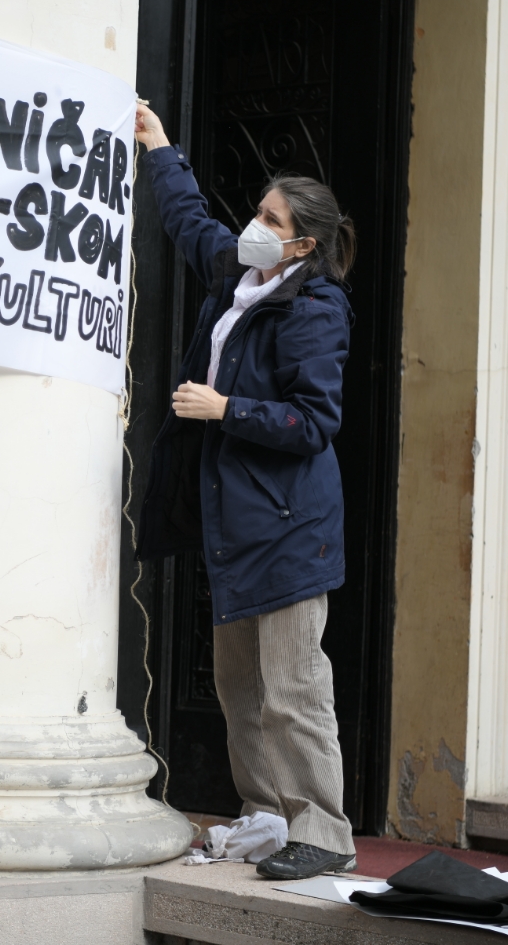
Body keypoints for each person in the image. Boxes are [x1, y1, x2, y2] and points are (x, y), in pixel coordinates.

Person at [133, 103, 358, 881]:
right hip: (239, 523)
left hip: (291, 527)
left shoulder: (317, 307)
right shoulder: (241, 275)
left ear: (304, 242)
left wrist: (226, 409)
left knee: (294, 686)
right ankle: (266, 817)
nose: (253, 224)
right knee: (239, 685)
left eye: (270, 217)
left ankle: (323, 832)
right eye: (258, 210)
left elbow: (313, 420)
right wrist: (160, 147)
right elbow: (191, 221)